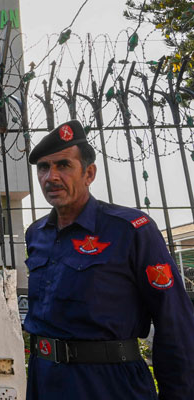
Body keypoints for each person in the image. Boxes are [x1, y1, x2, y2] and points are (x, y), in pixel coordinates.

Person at [23, 120, 194, 399]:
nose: (50, 177)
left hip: (109, 384)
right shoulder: (36, 234)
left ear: (89, 173)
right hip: (45, 381)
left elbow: (173, 319)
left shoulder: (131, 229)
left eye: (63, 165)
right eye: (43, 167)